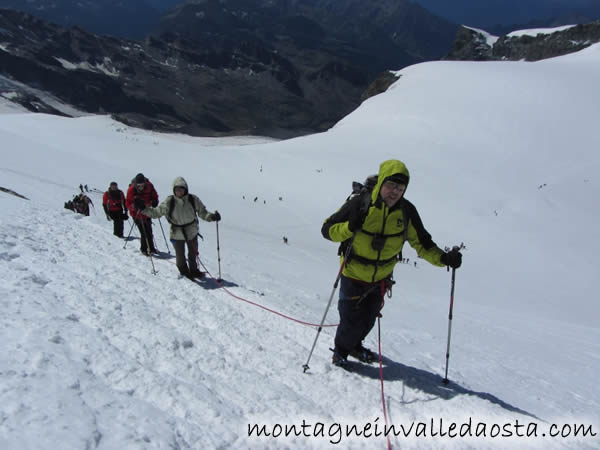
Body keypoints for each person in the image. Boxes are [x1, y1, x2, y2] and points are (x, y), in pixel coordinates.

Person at [321, 159, 462, 367]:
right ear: (381, 183)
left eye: (400, 187)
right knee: (350, 320)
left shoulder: (407, 212)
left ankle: (354, 345)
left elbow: (423, 244)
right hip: (352, 273)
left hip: (381, 278)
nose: (395, 191)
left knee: (368, 319)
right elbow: (327, 230)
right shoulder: (360, 205)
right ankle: (341, 351)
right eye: (390, 185)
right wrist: (349, 227)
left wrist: (444, 259)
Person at [136, 176, 220, 278]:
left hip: (192, 231)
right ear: (173, 190)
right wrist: (144, 209)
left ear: (186, 189)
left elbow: (203, 213)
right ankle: (184, 272)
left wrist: (212, 217)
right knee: (180, 257)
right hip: (176, 233)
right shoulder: (169, 201)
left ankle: (194, 271)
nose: (179, 191)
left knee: (193, 255)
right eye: (176, 189)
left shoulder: (193, 199)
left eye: (181, 189)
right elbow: (156, 212)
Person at [126, 173, 159, 255]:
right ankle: (144, 249)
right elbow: (127, 203)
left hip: (147, 212)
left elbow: (155, 196)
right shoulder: (131, 190)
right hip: (136, 214)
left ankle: (151, 248)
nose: (141, 187)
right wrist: (134, 206)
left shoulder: (149, 186)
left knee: (149, 230)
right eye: (139, 185)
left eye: (142, 185)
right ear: (135, 184)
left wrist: (154, 202)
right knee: (144, 232)